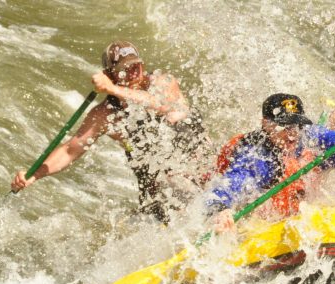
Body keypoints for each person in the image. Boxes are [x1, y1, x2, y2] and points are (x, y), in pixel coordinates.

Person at [11, 40, 213, 223]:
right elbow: (69, 151)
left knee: (179, 179)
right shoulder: (105, 114)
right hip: (155, 179)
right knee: (148, 212)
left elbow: (159, 104)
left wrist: (113, 89)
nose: (134, 71)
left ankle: (215, 208)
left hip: (195, 163)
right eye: (125, 68)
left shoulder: (163, 82)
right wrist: (33, 176)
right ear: (111, 75)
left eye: (136, 65)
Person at [207, 93, 335, 232]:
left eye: (296, 125)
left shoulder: (308, 135)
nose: (292, 134)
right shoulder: (259, 158)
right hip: (265, 215)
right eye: (284, 127)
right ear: (265, 124)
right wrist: (221, 210)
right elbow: (228, 187)